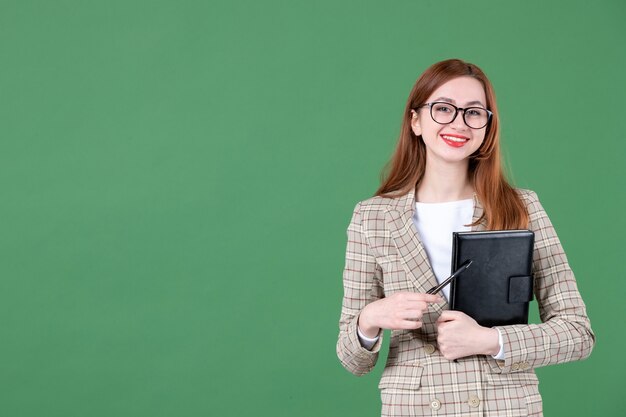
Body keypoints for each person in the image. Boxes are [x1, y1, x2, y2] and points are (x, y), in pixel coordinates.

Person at [336, 58, 595, 417]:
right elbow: (353, 359)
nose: (458, 123)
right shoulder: (372, 217)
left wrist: (490, 341)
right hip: (415, 408)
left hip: (503, 407)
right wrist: (372, 316)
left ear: (487, 126)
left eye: (473, 113)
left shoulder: (522, 208)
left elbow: (577, 333)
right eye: (443, 109)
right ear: (415, 120)